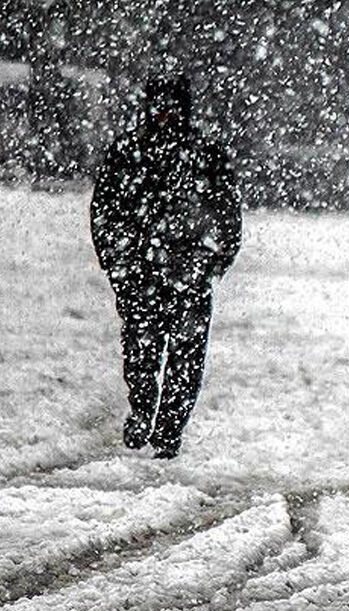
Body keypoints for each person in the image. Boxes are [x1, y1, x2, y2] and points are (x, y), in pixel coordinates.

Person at [90, 72, 242, 459]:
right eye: (160, 106)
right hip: (140, 273)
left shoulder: (205, 156)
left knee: (185, 359)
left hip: (188, 274)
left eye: (173, 107)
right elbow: (105, 212)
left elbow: (227, 215)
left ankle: (169, 430)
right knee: (141, 350)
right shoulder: (127, 154)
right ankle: (143, 411)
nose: (166, 115)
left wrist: (212, 261)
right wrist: (118, 262)